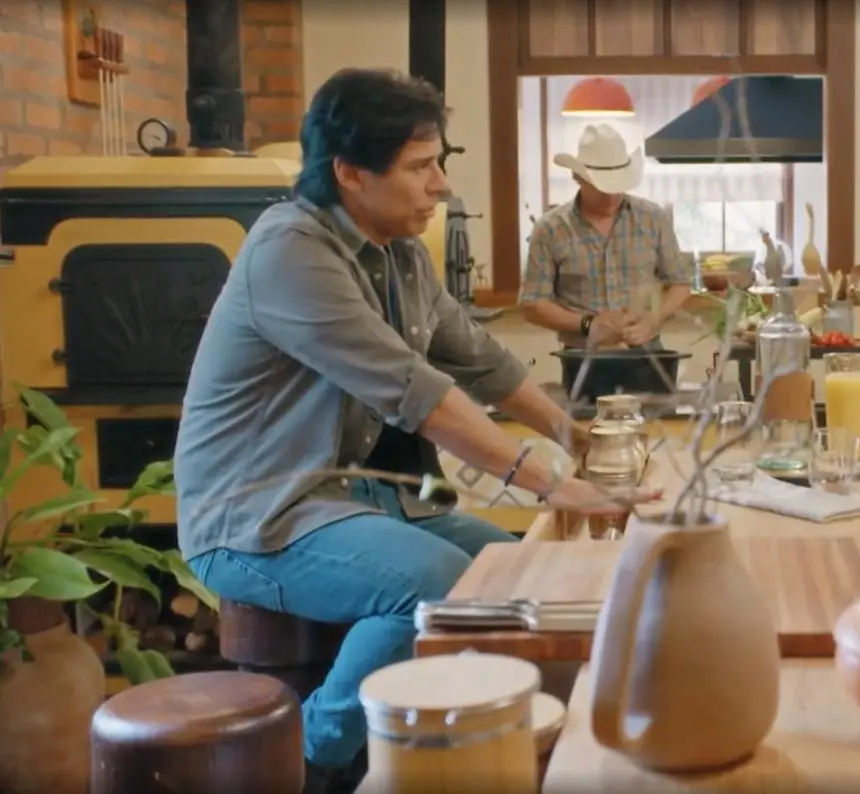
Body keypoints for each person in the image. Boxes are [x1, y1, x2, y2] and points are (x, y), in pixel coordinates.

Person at [173, 69, 657, 793]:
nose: (441, 185)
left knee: (524, 575)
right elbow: (416, 394)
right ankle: (311, 757)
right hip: (256, 515)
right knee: (437, 584)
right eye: (420, 166)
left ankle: (471, 746)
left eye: (440, 163)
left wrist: (575, 435)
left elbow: (478, 358)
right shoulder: (290, 251)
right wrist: (554, 482)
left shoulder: (400, 253)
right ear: (350, 172)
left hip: (364, 498)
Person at [520, 123, 693, 349]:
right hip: (582, 356)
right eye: (602, 188)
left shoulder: (653, 218)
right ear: (578, 178)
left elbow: (680, 284)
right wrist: (587, 324)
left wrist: (653, 319)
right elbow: (532, 304)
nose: (612, 197)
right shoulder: (550, 229)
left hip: (647, 352)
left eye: (618, 187)